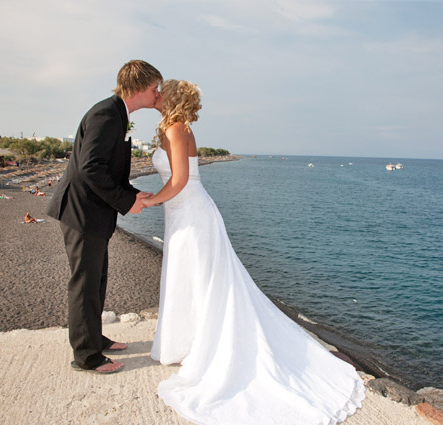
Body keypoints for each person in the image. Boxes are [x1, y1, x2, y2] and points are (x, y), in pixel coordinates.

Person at [141, 80, 365, 424]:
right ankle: (188, 344)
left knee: (199, 280)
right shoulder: (179, 128)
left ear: (170, 99)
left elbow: (182, 179)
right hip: (185, 212)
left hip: (190, 212)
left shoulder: (175, 129)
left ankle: (200, 348)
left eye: (160, 91)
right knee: (194, 279)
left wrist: (148, 201)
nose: (155, 95)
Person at [46, 60, 162, 374]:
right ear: (139, 88)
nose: (157, 94)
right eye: (154, 88)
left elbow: (106, 168)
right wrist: (127, 201)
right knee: (85, 284)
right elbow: (90, 167)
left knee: (96, 280)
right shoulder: (106, 114)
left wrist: (133, 194)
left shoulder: (115, 114)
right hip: (81, 211)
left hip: (92, 212)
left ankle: (94, 336)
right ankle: (87, 356)